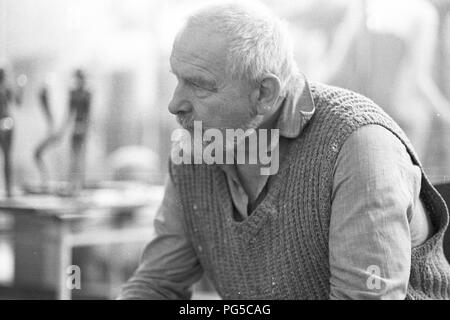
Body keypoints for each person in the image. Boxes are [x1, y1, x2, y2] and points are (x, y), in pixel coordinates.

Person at [119, 2, 450, 300]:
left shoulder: (357, 147)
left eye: (198, 84)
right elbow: (157, 285)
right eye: (177, 79)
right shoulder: (197, 148)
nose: (174, 104)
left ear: (264, 93)